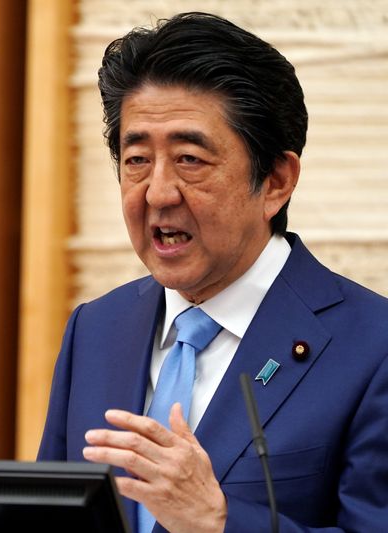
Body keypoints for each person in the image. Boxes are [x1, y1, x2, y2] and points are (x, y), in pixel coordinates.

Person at [37, 12, 388, 533]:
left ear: (275, 181)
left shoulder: (373, 346)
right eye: (136, 159)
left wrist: (218, 522)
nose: (157, 192)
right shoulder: (95, 329)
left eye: (189, 159)